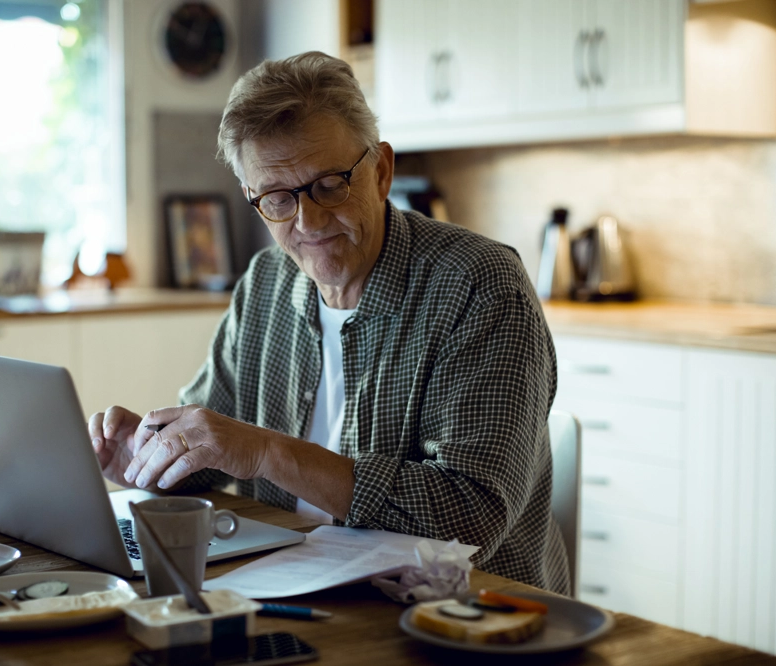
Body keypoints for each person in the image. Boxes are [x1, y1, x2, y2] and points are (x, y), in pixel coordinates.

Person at [88, 52, 569, 594]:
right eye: (276, 198)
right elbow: (215, 450)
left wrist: (269, 452)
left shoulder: (480, 286)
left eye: (329, 185)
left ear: (382, 171)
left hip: (459, 617)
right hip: (289, 588)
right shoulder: (267, 280)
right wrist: (145, 456)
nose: (308, 222)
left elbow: (468, 518)